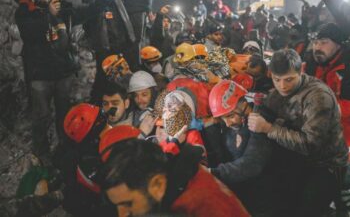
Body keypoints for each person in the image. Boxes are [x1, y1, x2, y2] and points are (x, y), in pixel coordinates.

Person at [14, 0, 112, 164]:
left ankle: (64, 151)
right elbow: (29, 32)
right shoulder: (24, 12)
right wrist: (49, 16)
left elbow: (86, 11)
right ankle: (41, 154)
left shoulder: (61, 9)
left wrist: (103, 0)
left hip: (63, 74)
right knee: (41, 117)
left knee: (65, 114)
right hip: (40, 76)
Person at [248, 49, 348, 217]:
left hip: (327, 164)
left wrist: (269, 128)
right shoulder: (276, 93)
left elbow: (310, 145)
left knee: (303, 211)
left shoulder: (318, 97)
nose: (282, 86)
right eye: (276, 79)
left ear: (301, 70)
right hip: (297, 158)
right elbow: (267, 106)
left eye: (289, 79)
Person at [99, 138, 250, 217]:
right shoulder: (181, 178)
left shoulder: (200, 204)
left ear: (157, 184)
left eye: (128, 204)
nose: (122, 215)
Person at [208, 80, 274, 215]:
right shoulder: (233, 124)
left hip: (266, 194)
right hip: (245, 190)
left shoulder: (260, 122)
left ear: (244, 105)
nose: (227, 123)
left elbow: (251, 163)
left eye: (230, 116)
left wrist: (212, 172)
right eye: (222, 119)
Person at [304, 23, 350, 146]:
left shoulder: (347, 68)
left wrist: (324, 106)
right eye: (315, 43)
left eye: (324, 42)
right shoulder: (310, 65)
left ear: (338, 45)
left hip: (343, 139)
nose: (317, 48)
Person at [122, 0, 162, 71]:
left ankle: (138, 62)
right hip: (135, 10)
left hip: (143, 11)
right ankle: (133, 64)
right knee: (136, 38)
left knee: (141, 39)